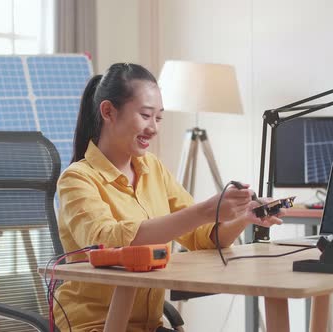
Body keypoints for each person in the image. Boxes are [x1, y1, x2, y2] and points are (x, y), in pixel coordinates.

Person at [54, 62, 284, 332]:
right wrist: (204, 211)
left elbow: (202, 237)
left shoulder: (153, 168)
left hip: (148, 326)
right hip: (93, 326)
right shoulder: (77, 179)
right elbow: (106, 240)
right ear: (108, 112)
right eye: (145, 115)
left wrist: (244, 218)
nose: (154, 128)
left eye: (159, 118)